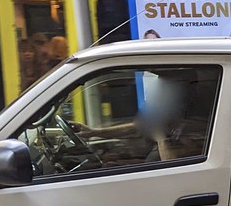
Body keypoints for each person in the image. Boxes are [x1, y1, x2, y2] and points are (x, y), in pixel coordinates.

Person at [68, 69, 208, 162]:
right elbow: (138, 126)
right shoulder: (168, 119)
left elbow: (172, 167)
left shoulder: (194, 127)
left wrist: (160, 137)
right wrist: (94, 132)